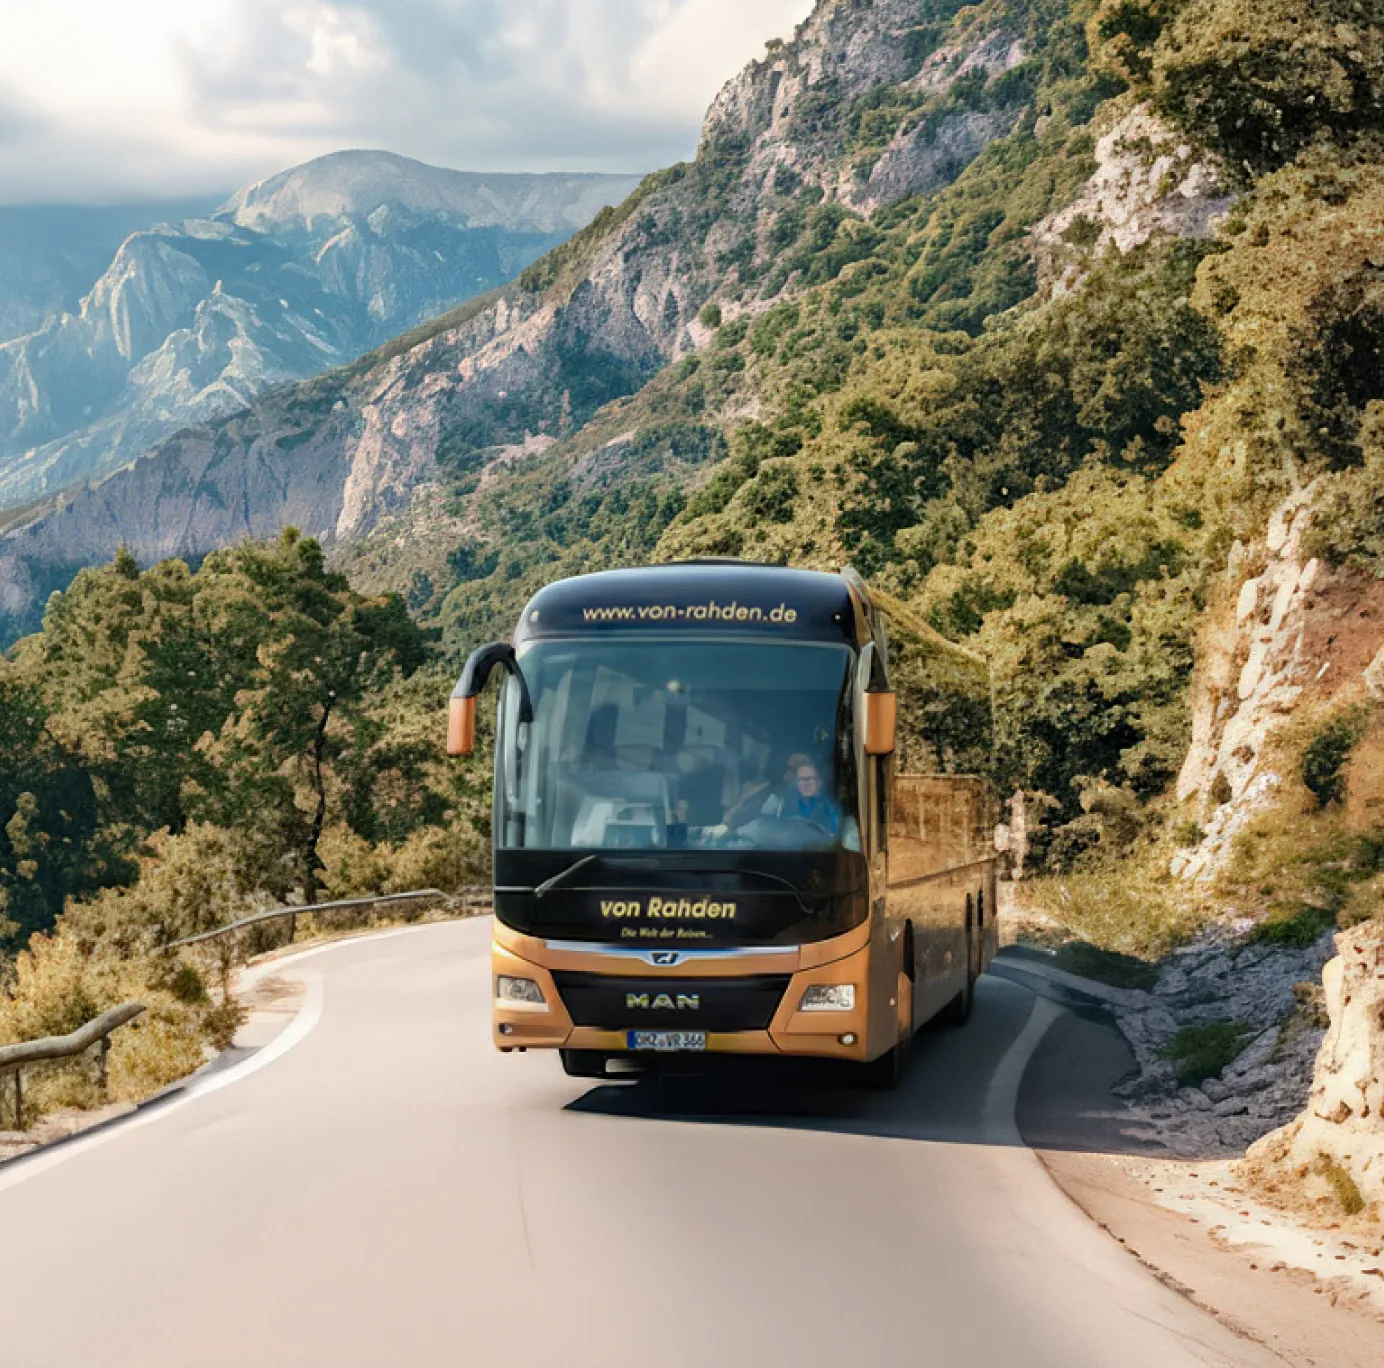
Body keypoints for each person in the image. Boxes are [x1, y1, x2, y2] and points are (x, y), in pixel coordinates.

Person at [761, 758, 841, 836]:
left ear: (820, 782)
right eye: (801, 779)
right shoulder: (782, 805)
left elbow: (834, 839)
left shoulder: (831, 809)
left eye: (810, 779)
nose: (806, 783)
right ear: (796, 784)